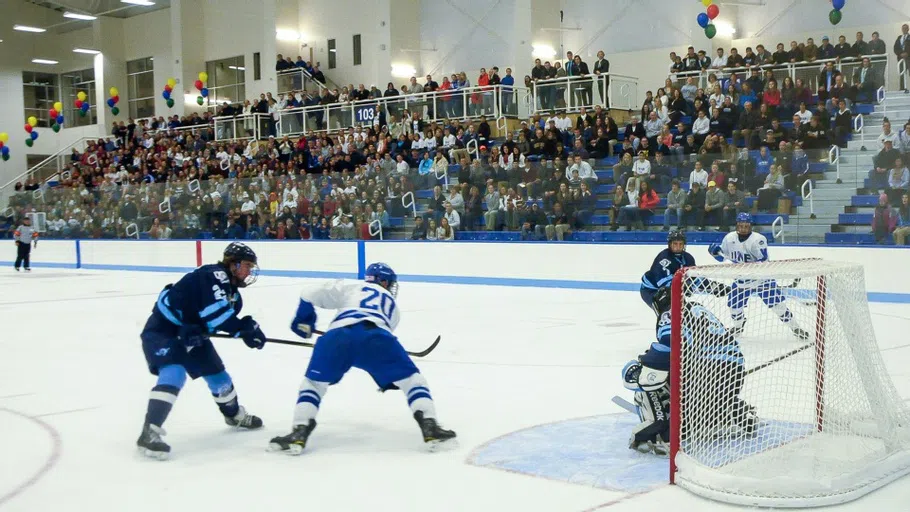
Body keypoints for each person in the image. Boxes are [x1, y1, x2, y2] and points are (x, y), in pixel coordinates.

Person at [270, 263, 456, 454]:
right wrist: (388, 375)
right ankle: (430, 425)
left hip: (337, 337)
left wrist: (304, 320)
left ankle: (299, 430)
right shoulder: (393, 308)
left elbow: (309, 292)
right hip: (377, 338)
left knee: (314, 384)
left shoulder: (352, 287)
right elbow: (368, 346)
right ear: (383, 281)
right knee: (413, 381)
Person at [137, 242, 267, 459]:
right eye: (246, 265)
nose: (249, 271)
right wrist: (242, 328)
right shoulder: (214, 275)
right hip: (164, 330)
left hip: (192, 337)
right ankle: (149, 432)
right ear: (232, 264)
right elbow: (216, 314)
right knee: (174, 373)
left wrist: (244, 331)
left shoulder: (234, 297)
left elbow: (215, 321)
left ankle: (233, 415)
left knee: (220, 378)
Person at [621, 285, 756, 456]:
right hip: (734, 372)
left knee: (651, 377)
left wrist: (645, 360)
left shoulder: (669, 312)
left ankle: (659, 428)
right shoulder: (697, 308)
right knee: (689, 420)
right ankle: (731, 412)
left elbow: (669, 346)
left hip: (708, 371)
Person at [709, 213, 808, 339]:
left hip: (762, 280)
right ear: (736, 226)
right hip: (741, 281)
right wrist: (715, 254)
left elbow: (763, 261)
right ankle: (738, 326)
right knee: (734, 308)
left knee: (778, 307)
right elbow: (722, 259)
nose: (743, 228)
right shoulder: (729, 238)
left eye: (746, 226)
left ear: (751, 226)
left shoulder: (758, 239)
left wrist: (747, 267)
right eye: (741, 226)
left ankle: (796, 328)